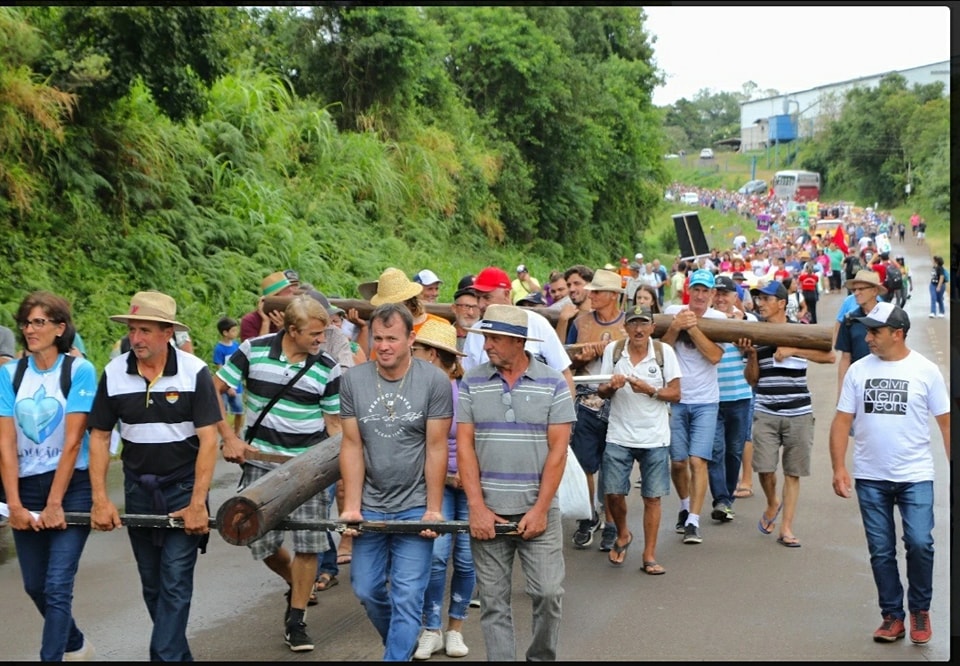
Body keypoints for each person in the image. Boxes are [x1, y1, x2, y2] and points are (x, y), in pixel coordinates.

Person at [87, 291, 222, 661]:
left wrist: (198, 503)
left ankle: (162, 655)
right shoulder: (114, 372)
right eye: (132, 330)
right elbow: (99, 437)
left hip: (182, 490)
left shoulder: (194, 371)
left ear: (167, 334)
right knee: (152, 586)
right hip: (138, 488)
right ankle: (176, 656)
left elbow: (210, 440)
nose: (137, 339)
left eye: (145, 330)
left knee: (175, 582)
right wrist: (100, 499)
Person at [215, 294, 342, 652]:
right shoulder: (251, 350)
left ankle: (296, 619)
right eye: (315, 334)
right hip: (260, 463)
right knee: (257, 539)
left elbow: (333, 425)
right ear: (291, 330)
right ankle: (296, 582)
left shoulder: (327, 366)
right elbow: (215, 389)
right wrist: (228, 437)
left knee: (309, 542)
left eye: (325, 333)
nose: (322, 340)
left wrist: (343, 469)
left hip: (310, 467)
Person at [456, 304, 575, 661]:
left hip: (538, 509)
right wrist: (476, 508)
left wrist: (540, 509)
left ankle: (541, 656)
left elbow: (559, 450)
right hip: (488, 511)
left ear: (518, 341)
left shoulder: (553, 382)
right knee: (493, 603)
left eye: (495, 338)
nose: (487, 345)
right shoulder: (472, 380)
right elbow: (465, 448)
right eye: (486, 338)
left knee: (549, 593)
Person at [828, 301, 950, 644]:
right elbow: (841, 421)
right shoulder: (859, 371)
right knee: (881, 549)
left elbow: (946, 422)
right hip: (871, 476)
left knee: (920, 543)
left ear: (898, 334)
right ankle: (892, 616)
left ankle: (920, 609)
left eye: (875, 331)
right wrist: (839, 466)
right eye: (866, 331)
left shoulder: (925, 371)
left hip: (915, 475)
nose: (867, 338)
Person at [338, 303, 453, 661]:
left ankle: (396, 654)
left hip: (416, 502)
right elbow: (353, 446)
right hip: (371, 502)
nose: (384, 345)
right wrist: (351, 507)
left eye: (392, 338)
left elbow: (436, 448)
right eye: (378, 338)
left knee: (407, 594)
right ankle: (402, 640)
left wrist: (434, 510)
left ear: (410, 339)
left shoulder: (434, 381)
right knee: (366, 586)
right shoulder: (353, 380)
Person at [0, 292, 98, 660]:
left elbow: (74, 442)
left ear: (60, 327)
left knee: (57, 586)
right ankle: (73, 643)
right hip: (24, 486)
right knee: (34, 586)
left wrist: (56, 502)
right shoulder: (8, 375)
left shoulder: (78, 371)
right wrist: (13, 503)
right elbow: (5, 443)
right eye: (26, 322)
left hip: (72, 487)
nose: (30, 329)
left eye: (39, 322)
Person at [736, 281, 835, 549]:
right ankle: (772, 503)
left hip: (799, 412)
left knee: (793, 472)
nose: (761, 304)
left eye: (767, 299)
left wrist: (794, 349)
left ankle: (787, 527)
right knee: (765, 469)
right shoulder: (756, 333)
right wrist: (751, 355)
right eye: (759, 300)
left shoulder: (799, 331)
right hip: (766, 410)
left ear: (782, 303)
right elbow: (751, 380)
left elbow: (829, 357)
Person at [596, 305, 681, 573]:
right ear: (626, 327)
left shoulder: (663, 352)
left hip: (654, 436)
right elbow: (601, 389)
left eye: (644, 324)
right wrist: (611, 386)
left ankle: (649, 555)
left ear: (652, 328)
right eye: (633, 323)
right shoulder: (615, 350)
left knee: (652, 497)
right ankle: (623, 533)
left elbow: (676, 393)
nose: (638, 329)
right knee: (613, 492)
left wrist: (650, 390)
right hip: (619, 433)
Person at [411, 319, 474, 660]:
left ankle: (455, 628)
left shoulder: (466, 391)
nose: (412, 356)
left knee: (465, 558)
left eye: (416, 351)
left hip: (469, 484)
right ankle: (431, 628)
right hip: (437, 484)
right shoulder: (417, 391)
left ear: (432, 355)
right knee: (436, 558)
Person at [565, 269, 627, 551]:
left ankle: (612, 524)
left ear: (614, 296)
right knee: (586, 463)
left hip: (622, 400)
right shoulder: (581, 322)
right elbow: (567, 362)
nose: (593, 295)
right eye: (593, 290)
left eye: (599, 291)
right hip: (587, 400)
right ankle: (588, 516)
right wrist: (581, 359)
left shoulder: (630, 324)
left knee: (614, 465)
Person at [661, 269, 725, 544]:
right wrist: (676, 326)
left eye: (705, 291)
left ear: (712, 294)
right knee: (677, 462)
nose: (700, 295)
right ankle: (685, 506)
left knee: (699, 460)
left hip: (706, 401)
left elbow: (714, 356)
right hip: (676, 399)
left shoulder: (720, 320)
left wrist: (693, 327)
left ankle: (694, 522)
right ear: (689, 290)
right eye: (696, 289)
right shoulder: (672, 310)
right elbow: (660, 352)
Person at [462, 266, 574, 397]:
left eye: (487, 297)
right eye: (477, 298)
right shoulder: (475, 332)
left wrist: (566, 415)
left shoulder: (537, 323)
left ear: (507, 294)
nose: (480, 304)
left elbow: (564, 374)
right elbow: (467, 381)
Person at [707, 275, 757, 523]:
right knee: (715, 450)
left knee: (734, 450)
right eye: (716, 293)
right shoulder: (703, 320)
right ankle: (721, 499)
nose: (720, 298)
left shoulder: (748, 321)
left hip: (740, 395)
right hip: (711, 396)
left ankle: (727, 497)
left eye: (725, 293)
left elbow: (753, 349)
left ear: (735, 297)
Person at [835, 270, 885, 391]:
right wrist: (841, 393)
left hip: (884, 384)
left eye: (861, 289)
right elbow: (845, 358)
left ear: (874, 291)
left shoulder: (888, 317)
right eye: (854, 290)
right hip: (858, 384)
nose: (856, 293)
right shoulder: (849, 320)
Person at [240, 269, 301, 341]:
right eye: (288, 293)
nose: (292, 297)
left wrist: (284, 329)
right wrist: (265, 323)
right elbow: (256, 351)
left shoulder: (295, 316)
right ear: (274, 298)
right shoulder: (250, 321)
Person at [213, 316, 244, 436]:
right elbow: (220, 367)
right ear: (225, 332)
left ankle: (237, 433)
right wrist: (228, 386)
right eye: (233, 331)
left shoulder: (236, 346)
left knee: (239, 411)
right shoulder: (219, 349)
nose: (236, 333)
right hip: (224, 387)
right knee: (223, 412)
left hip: (237, 385)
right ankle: (225, 436)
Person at [451, 277, 480, 351]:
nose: (471, 313)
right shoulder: (443, 335)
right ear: (454, 308)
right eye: (466, 306)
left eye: (476, 307)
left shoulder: (487, 339)